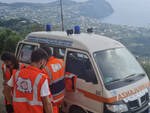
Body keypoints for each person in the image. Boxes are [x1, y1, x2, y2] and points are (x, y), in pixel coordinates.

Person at [3, 49, 53, 113]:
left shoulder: (17, 74)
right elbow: (47, 103)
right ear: (42, 62)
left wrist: (12, 103)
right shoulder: (42, 78)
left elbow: (6, 90)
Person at [42, 46, 65, 113]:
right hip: (62, 96)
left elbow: (44, 89)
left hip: (53, 100)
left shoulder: (45, 69)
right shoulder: (61, 61)